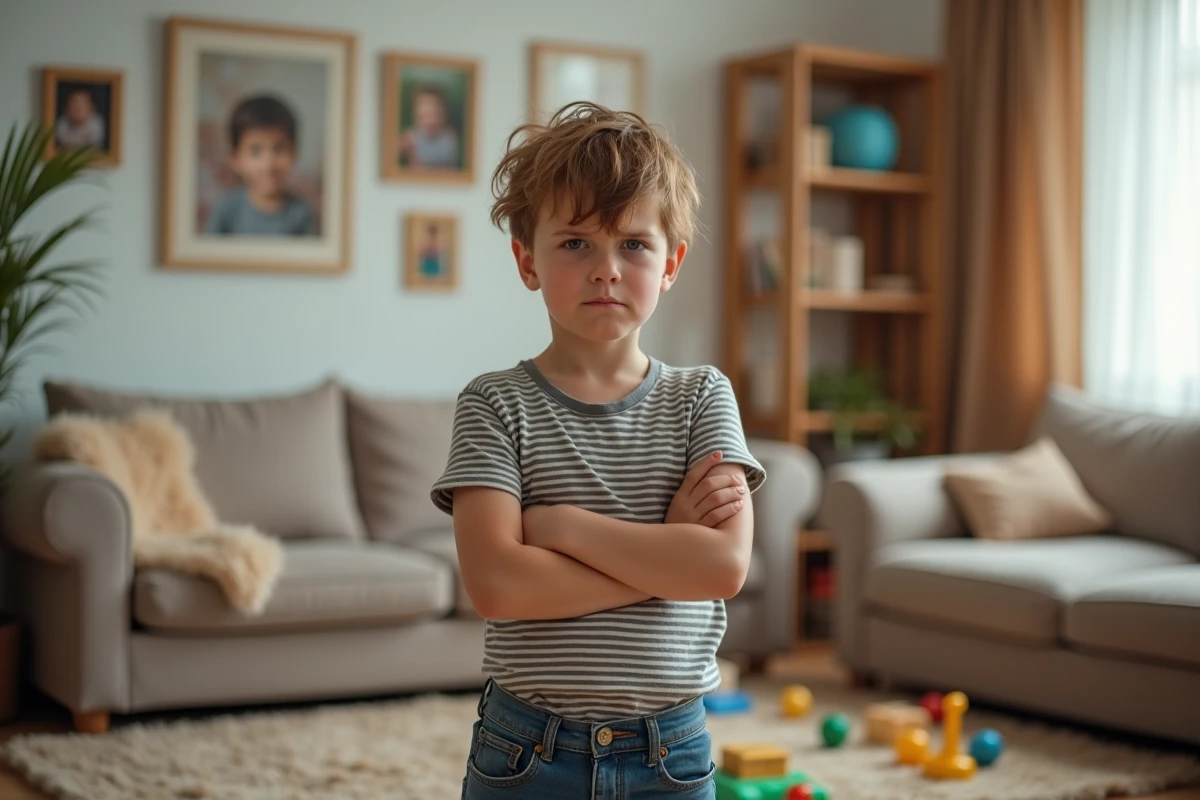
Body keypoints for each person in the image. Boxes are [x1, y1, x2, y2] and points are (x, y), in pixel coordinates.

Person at [430, 102, 766, 799]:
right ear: (528, 260)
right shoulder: (493, 404)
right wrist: (667, 550)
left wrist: (560, 530)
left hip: (669, 750)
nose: (606, 269)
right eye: (576, 243)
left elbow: (723, 567)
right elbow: (498, 585)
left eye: (633, 245)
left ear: (671, 263)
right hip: (524, 748)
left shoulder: (704, 397)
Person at [205, 94, 316, 237]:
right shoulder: (226, 209)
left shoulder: (301, 212)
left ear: (294, 153)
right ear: (235, 158)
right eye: (255, 151)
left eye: (278, 149)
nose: (268, 164)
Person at [398, 84, 460, 169]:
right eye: (425, 115)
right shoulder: (411, 136)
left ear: (444, 115)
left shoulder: (449, 137)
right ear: (415, 116)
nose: (429, 121)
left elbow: (448, 166)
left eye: (434, 113)